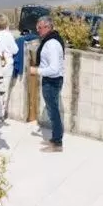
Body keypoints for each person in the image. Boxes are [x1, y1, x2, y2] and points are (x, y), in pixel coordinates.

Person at [29, 16, 65, 153]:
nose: (37, 30)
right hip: (51, 80)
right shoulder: (50, 41)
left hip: (52, 81)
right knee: (52, 110)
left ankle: (57, 143)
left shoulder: (52, 44)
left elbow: (54, 69)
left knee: (53, 111)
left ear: (48, 27)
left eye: (40, 27)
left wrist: (36, 71)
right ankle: (55, 139)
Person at [0, 14, 19, 121]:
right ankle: (1, 114)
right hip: (7, 65)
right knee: (4, 91)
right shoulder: (8, 35)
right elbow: (15, 50)